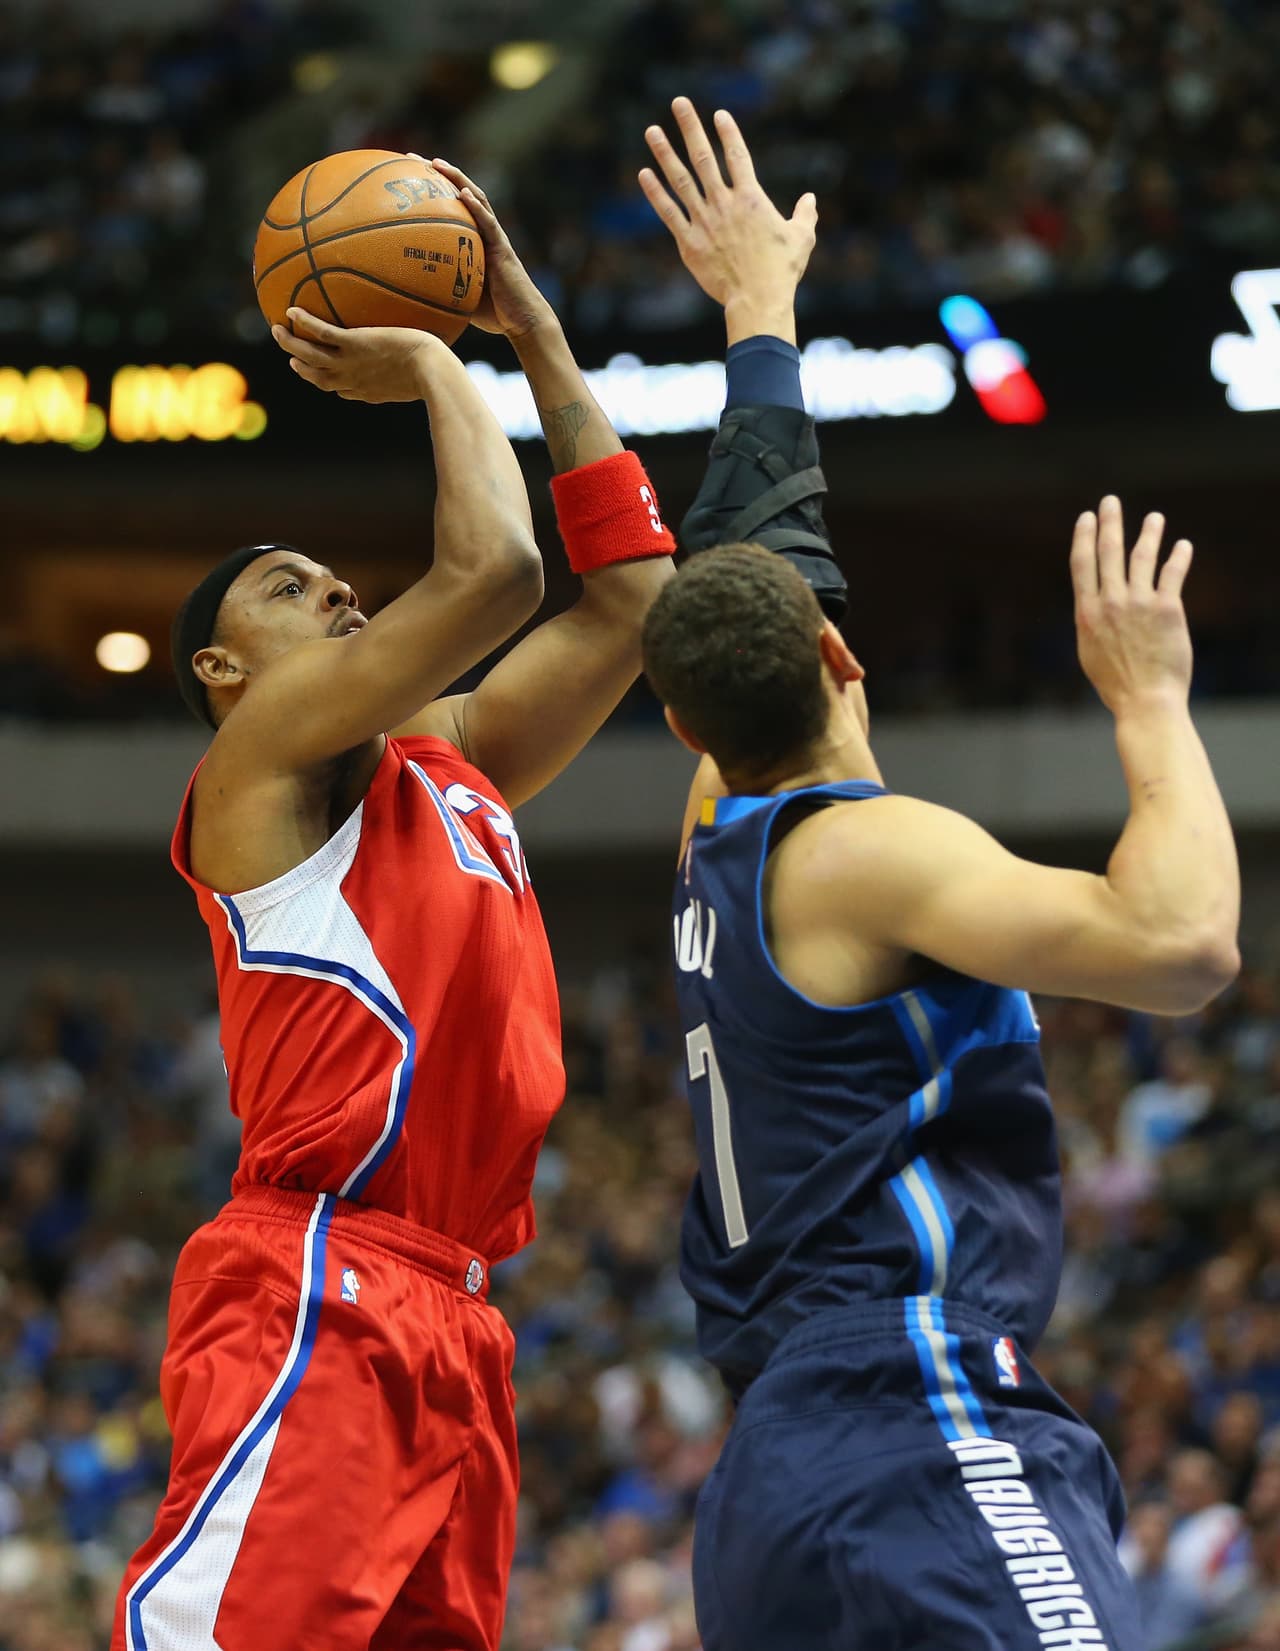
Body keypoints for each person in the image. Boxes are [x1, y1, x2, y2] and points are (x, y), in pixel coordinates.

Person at [638, 99, 1240, 1649]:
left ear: (682, 724)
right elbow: (1181, 945)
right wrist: (1152, 706)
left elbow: (756, 552)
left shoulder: (718, 834)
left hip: (774, 1474)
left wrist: (759, 316)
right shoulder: (864, 852)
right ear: (841, 657)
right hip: (909, 1416)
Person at [112, 159, 674, 1651]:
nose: (343, 598)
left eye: (334, 581)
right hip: (318, 1279)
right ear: (224, 675)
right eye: (293, 594)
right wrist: (436, 355)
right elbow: (494, 569)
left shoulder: (452, 755)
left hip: (461, 1314)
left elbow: (627, 601)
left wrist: (532, 327)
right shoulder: (258, 761)